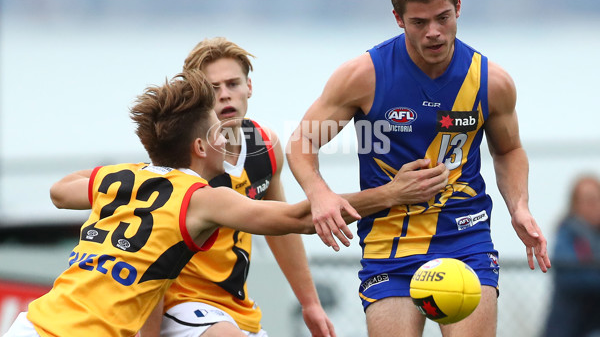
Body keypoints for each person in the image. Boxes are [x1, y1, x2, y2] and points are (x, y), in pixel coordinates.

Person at [1, 70, 439, 337]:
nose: (227, 135)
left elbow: (60, 191)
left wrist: (132, 172)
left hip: (32, 324)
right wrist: (390, 194)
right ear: (199, 147)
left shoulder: (125, 179)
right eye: (217, 130)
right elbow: (296, 217)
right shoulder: (202, 200)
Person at [286, 0, 551, 337]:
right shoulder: (364, 75)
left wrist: (520, 206)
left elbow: (508, 150)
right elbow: (301, 143)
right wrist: (319, 193)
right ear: (399, 19)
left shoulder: (491, 81)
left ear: (458, 8)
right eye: (419, 22)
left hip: (465, 237)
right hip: (389, 244)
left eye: (443, 18)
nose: (434, 32)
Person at [140, 37, 449, 337]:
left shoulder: (264, 145)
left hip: (235, 307)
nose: (224, 95)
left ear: (249, 86)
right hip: (181, 307)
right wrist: (392, 193)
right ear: (198, 98)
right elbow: (150, 254)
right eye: (212, 88)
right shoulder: (187, 161)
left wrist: (310, 302)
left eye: (232, 84)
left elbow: (284, 226)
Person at [542, 175, 600, 337]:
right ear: (575, 204)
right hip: (568, 326)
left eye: (597, 199)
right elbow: (568, 273)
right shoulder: (566, 233)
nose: (594, 206)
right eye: (588, 200)